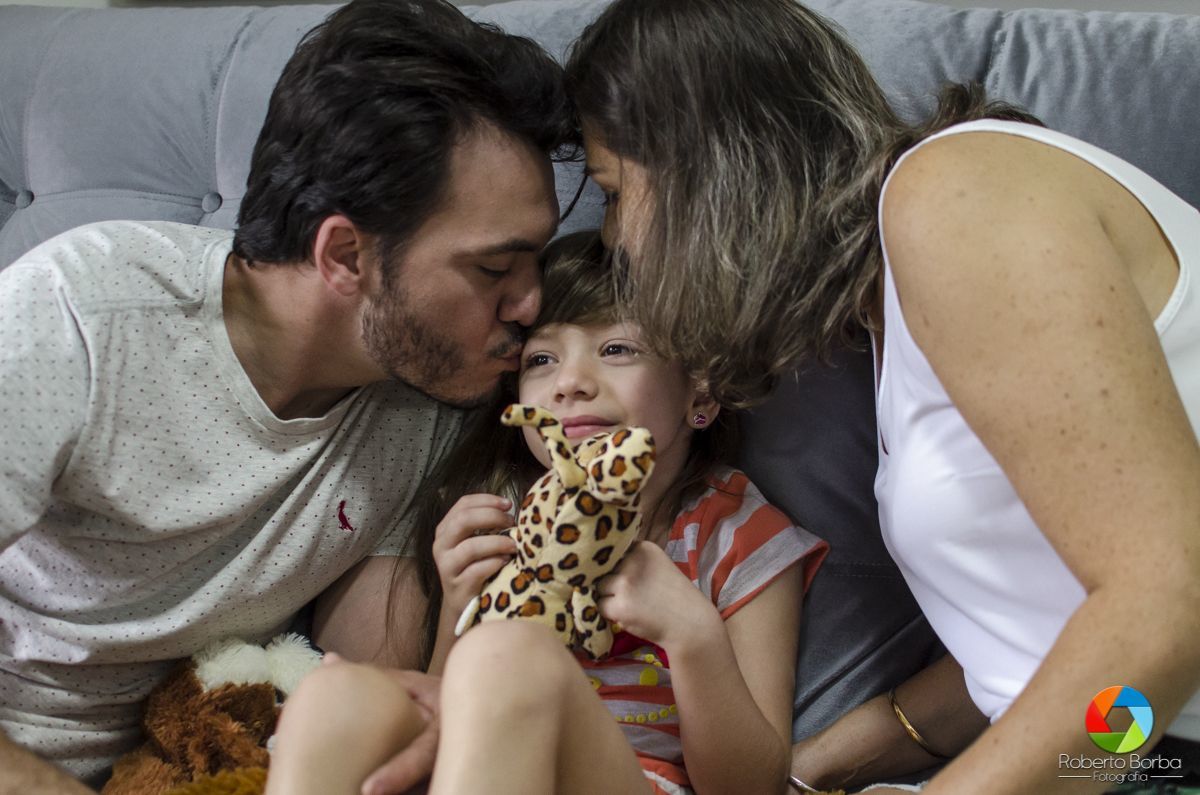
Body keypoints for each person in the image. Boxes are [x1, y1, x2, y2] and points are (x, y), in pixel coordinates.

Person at [562, 1, 1200, 793]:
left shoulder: (959, 194)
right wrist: (812, 770)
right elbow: (1039, 656)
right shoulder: (898, 307)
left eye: (613, 192)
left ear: (707, 171)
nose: (615, 239)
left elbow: (1167, 605)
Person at [0, 0, 572, 789]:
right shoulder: (83, 316)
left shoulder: (430, 397)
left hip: (189, 759)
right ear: (344, 254)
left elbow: (368, 686)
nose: (530, 305)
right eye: (493, 269)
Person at [263, 230, 829, 795]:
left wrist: (693, 636)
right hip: (478, 773)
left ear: (699, 394)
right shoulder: (503, 516)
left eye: (617, 350)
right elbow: (440, 716)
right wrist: (459, 601)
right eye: (541, 359)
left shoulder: (737, 534)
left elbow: (753, 787)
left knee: (511, 655)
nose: (570, 384)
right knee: (335, 695)